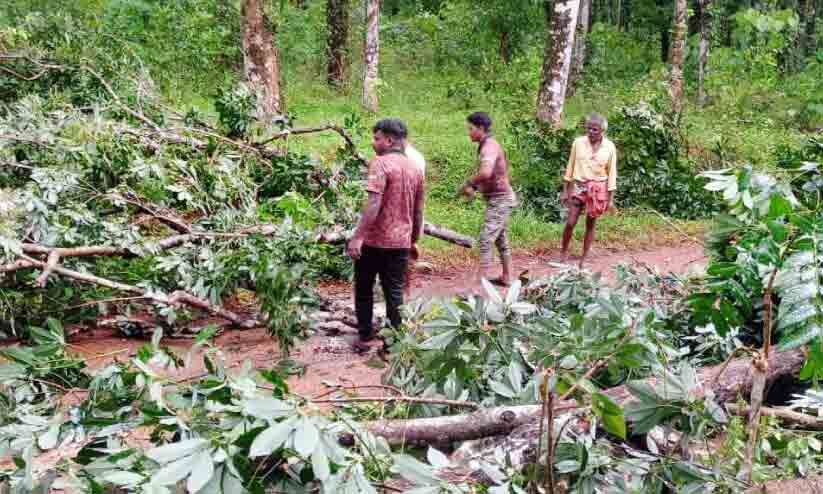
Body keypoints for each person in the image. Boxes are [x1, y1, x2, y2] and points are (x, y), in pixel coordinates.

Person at [347, 118, 425, 352]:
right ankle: (394, 342)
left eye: (377, 138)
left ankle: (365, 335)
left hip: (374, 241)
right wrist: (413, 241)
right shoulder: (415, 168)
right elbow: (418, 210)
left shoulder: (380, 164)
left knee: (364, 288)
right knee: (394, 292)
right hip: (400, 242)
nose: (374, 143)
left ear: (389, 140)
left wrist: (358, 237)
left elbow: (373, 204)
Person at [460, 112, 517, 287]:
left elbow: (486, 172)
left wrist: (469, 182)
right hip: (500, 199)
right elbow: (490, 175)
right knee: (500, 239)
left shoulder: (489, 147)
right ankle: (507, 277)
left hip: (501, 200)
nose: (469, 133)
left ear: (481, 129)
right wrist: (475, 188)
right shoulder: (487, 145)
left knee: (485, 240)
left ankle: (479, 287)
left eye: (471, 129)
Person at [559, 113, 618, 267]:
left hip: (598, 189)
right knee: (570, 222)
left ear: (602, 131)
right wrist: (565, 189)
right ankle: (563, 251)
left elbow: (612, 173)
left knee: (590, 224)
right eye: (589, 129)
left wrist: (610, 199)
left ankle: (584, 257)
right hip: (579, 186)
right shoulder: (578, 143)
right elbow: (570, 166)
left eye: (595, 130)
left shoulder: (609, 147)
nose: (591, 132)